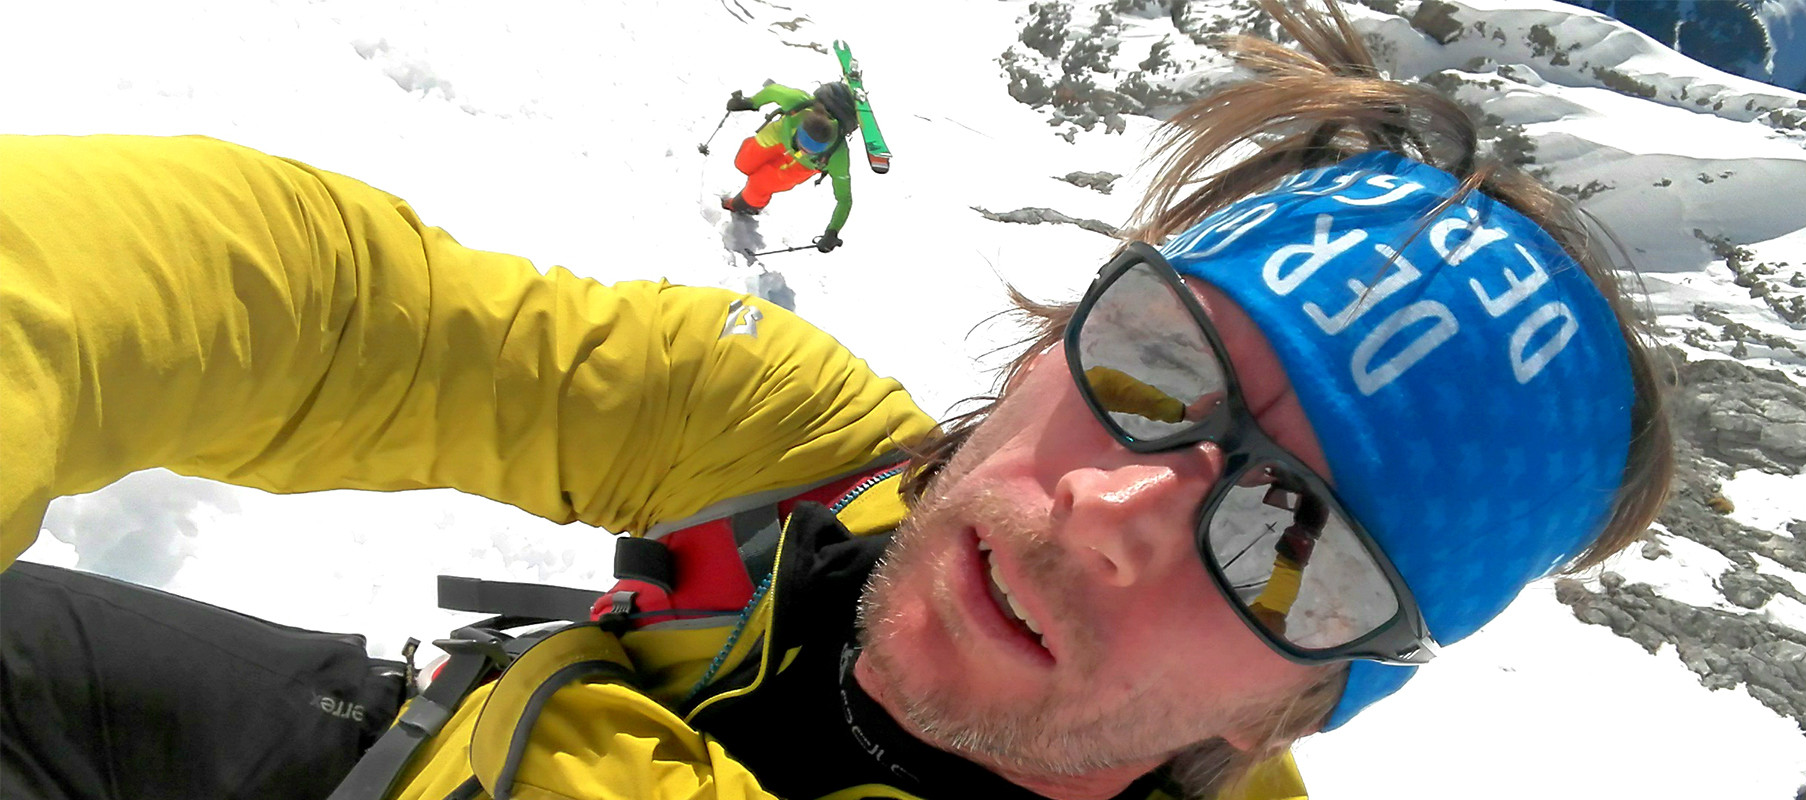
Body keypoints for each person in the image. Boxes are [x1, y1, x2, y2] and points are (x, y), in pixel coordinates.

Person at [0, 2, 1675, 799]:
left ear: (1295, 716)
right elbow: (342, 310)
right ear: (1046, 348)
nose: (1106, 518)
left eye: (1292, 544)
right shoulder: (828, 467)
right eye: (1158, 368)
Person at [719, 79, 858, 253]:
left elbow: (844, 199)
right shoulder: (797, 102)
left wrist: (832, 231)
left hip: (802, 167)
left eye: (812, 150)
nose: (805, 151)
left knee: (760, 183)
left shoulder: (838, 155)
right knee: (743, 163)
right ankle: (751, 185)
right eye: (803, 146)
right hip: (779, 137)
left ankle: (744, 206)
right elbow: (773, 91)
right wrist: (751, 102)